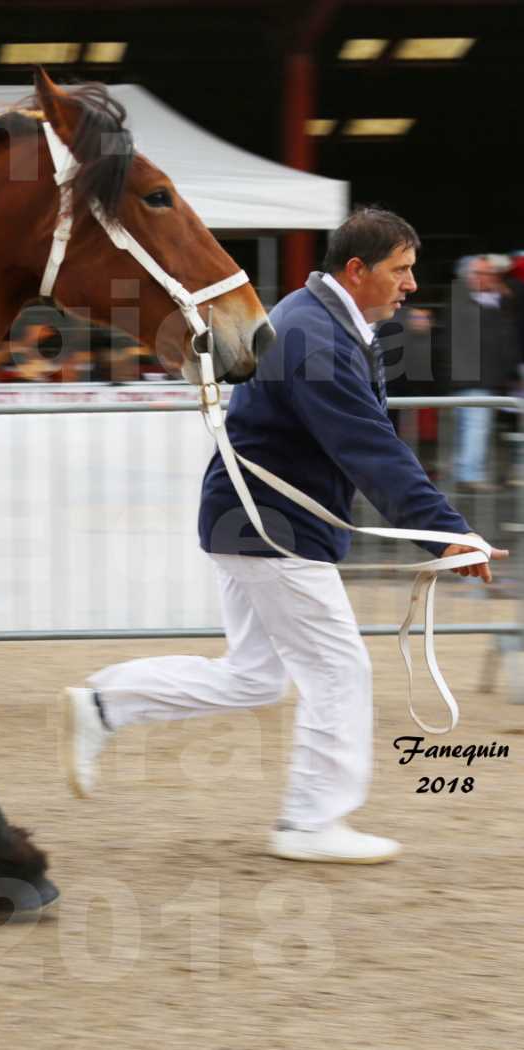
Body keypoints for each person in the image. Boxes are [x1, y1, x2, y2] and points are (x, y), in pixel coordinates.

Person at [60, 207, 505, 864]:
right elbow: (369, 448)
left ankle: (103, 704)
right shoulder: (314, 338)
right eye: (400, 271)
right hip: (272, 530)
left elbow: (363, 444)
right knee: (337, 669)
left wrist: (441, 532)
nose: (410, 285)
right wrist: (444, 535)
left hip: (253, 525)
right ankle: (309, 822)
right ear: (355, 270)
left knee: (254, 677)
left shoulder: (317, 320)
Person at [446, 254, 521, 492]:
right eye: (485, 274)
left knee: (472, 426)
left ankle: (466, 471)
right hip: (474, 377)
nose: (491, 279)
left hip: (481, 376)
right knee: (475, 426)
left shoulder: (490, 302)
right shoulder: (468, 304)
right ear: (473, 276)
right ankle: (469, 475)